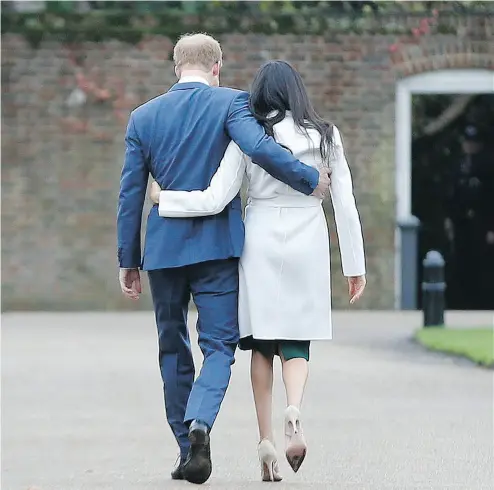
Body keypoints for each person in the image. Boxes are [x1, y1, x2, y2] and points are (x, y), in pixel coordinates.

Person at [116, 35, 331, 485]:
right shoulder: (232, 103)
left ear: (176, 67)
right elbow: (261, 150)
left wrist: (128, 259)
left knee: (172, 346)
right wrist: (309, 178)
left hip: (164, 251)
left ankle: (185, 447)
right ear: (217, 66)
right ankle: (201, 422)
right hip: (218, 249)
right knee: (218, 346)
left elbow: (131, 194)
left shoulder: (143, 117)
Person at [149, 60, 366, 481]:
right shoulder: (327, 135)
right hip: (308, 236)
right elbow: (346, 204)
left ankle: (265, 441)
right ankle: (295, 409)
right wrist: (354, 266)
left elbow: (214, 198)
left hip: (262, 237)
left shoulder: (250, 135)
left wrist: (164, 199)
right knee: (297, 335)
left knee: (261, 341)